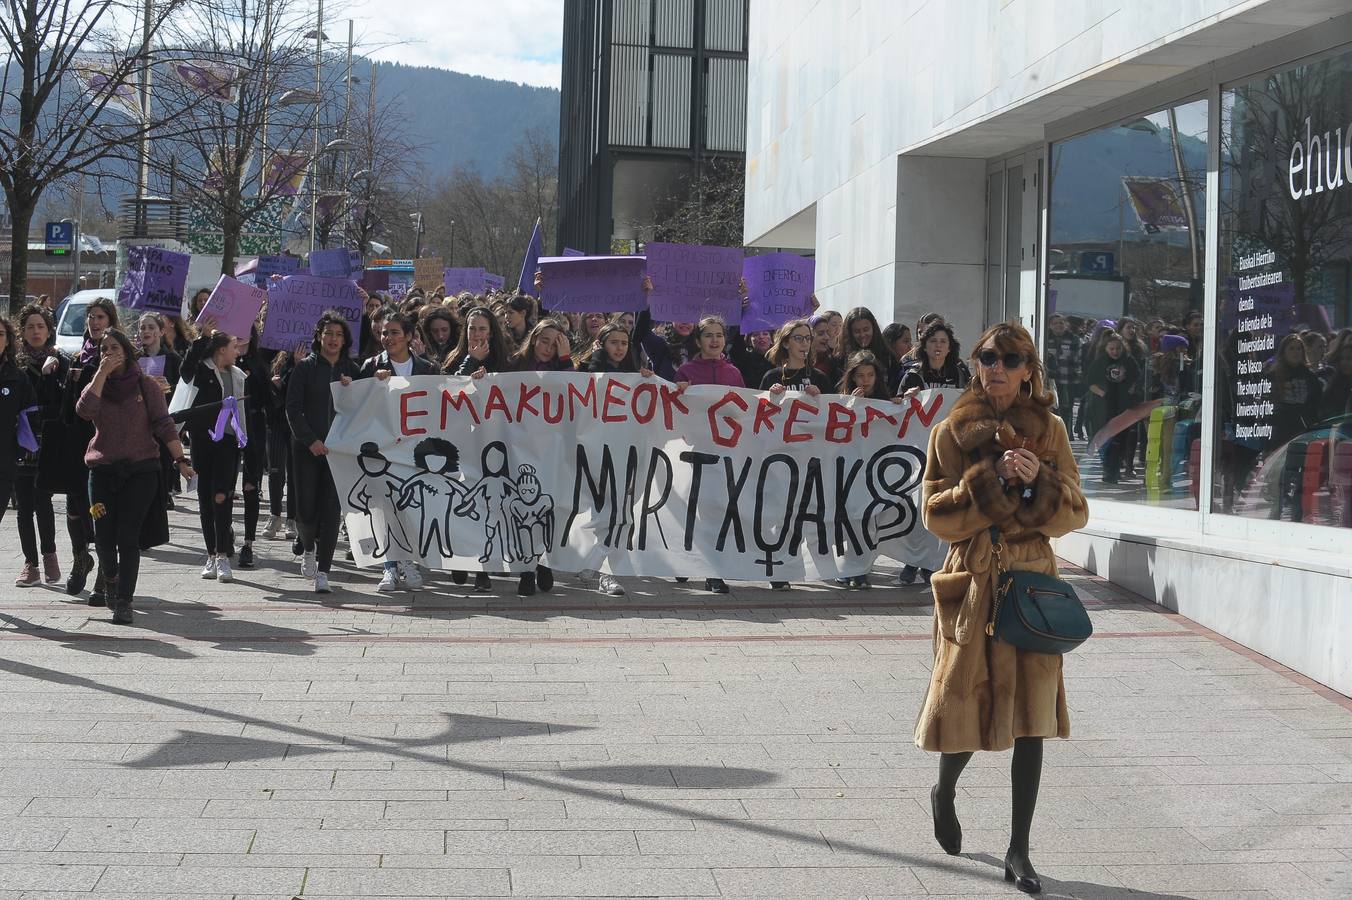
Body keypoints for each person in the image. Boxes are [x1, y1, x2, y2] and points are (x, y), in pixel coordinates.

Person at [915, 320, 1088, 895]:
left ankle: (1019, 850)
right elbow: (934, 513)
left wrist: (1040, 483)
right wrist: (988, 482)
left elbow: (1077, 512)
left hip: (1032, 579)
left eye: (1009, 359)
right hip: (974, 581)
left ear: (1028, 371)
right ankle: (945, 790)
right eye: (987, 357)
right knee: (963, 707)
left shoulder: (1052, 431)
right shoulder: (950, 431)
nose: (996, 367)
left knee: (1032, 721)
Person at [76, 327, 195, 624]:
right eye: (105, 350)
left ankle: (124, 601)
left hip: (140, 472)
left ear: (128, 352)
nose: (110, 354)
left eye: (115, 348)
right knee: (103, 538)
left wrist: (180, 459)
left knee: (128, 537)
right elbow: (84, 411)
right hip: (102, 472)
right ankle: (111, 579)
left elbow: (164, 425)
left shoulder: (146, 386)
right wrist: (101, 375)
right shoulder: (96, 385)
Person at [357, 312, 436, 593]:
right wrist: (370, 384)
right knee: (383, 507)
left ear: (409, 336)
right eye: (384, 333)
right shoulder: (370, 366)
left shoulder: (427, 369)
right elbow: (355, 405)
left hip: (413, 451)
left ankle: (409, 561)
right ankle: (390, 567)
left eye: (394, 333)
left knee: (409, 508)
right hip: (380, 451)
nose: (387, 338)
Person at [286, 311, 362, 593]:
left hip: (338, 453)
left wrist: (361, 384)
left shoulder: (352, 371)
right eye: (328, 333)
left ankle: (324, 571)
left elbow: (366, 405)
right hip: (307, 450)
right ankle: (307, 547)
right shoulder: (305, 368)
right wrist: (310, 440)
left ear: (345, 340)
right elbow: (293, 408)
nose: (333, 339)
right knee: (306, 510)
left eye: (339, 335)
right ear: (319, 337)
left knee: (331, 509)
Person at [56, 296, 118, 602]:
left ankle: (106, 575)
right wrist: (69, 379)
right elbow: (68, 412)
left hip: (105, 443)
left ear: (111, 323)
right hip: (77, 442)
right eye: (91, 317)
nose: (94, 322)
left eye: (100, 318)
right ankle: (81, 556)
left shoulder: (117, 358)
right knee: (73, 507)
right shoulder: (79, 357)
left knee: (101, 510)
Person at [675, 316, 743, 593]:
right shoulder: (686, 371)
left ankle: (713, 571)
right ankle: (683, 560)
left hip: (724, 454)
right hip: (693, 452)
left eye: (719, 335)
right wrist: (677, 393)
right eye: (708, 336)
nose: (715, 341)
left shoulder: (734, 373)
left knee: (715, 510)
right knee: (692, 509)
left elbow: (744, 411)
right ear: (698, 341)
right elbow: (674, 410)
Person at [179, 325, 248, 584]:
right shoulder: (202, 371)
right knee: (205, 498)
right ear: (221, 350)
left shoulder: (238, 375)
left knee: (222, 496)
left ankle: (223, 555)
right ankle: (211, 554)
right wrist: (201, 338)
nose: (237, 351)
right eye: (233, 347)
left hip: (229, 443)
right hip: (203, 442)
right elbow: (184, 371)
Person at [13, 304, 65, 586]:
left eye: (40, 326)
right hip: (22, 439)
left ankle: (49, 555)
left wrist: (50, 376)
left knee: (43, 500)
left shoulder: (60, 361)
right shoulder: (15, 365)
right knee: (23, 505)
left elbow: (59, 404)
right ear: (21, 332)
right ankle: (30, 563)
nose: (36, 331)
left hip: (47, 439)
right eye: (30, 326)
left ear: (49, 330)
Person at [1083, 331, 1140, 484]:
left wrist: (1130, 390)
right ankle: (1109, 469)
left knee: (1121, 439)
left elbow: (1137, 377)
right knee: (1106, 439)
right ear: (1106, 348)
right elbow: (1089, 382)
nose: (1115, 352)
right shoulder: (1100, 362)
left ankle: (1113, 467)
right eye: (1112, 349)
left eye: (1118, 348)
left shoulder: (1129, 361)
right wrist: (1102, 393)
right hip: (1103, 407)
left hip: (1123, 405)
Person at [0, 317, 38, 531]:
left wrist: (19, 451)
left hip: (3, 465)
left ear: (8, 340)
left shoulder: (18, 378)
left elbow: (30, 419)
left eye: (0, 334)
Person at [759, 318, 833, 394]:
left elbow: (831, 404)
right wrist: (771, 396)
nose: (805, 343)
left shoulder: (820, 378)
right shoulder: (771, 377)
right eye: (798, 338)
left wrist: (819, 397)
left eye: (808, 338)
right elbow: (760, 404)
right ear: (786, 343)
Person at [1042, 313, 1081, 439]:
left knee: (1067, 407)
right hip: (1050, 380)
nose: (1058, 325)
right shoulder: (1045, 337)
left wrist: (1078, 375)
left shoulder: (1073, 339)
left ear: (1066, 325)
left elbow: (1078, 360)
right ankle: (1051, 434)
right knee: (1051, 407)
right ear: (1050, 325)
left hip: (1068, 379)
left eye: (1061, 323)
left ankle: (1067, 434)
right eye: (1055, 323)